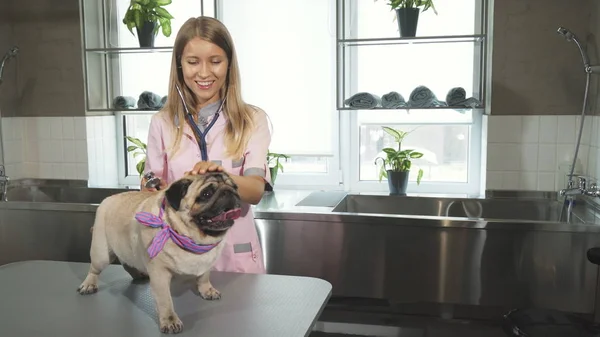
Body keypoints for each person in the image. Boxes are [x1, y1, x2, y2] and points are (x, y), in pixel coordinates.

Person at [140, 16, 272, 274]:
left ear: (229, 64)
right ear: (179, 65)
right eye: (192, 62)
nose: (203, 73)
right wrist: (154, 188)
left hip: (236, 261)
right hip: (180, 258)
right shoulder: (162, 123)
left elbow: (255, 191)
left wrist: (218, 176)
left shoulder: (252, 120)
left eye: (215, 61)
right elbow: (151, 183)